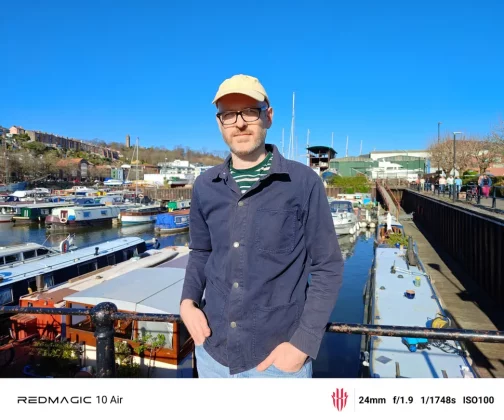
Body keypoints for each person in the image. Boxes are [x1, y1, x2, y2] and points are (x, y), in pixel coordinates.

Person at [179, 74, 344, 378]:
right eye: (229, 114)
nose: (239, 123)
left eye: (250, 112)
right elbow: (201, 252)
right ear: (220, 123)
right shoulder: (204, 186)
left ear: (268, 116)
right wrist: (187, 302)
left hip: (277, 362)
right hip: (213, 354)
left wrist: (303, 344)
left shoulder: (303, 183)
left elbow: (328, 266)